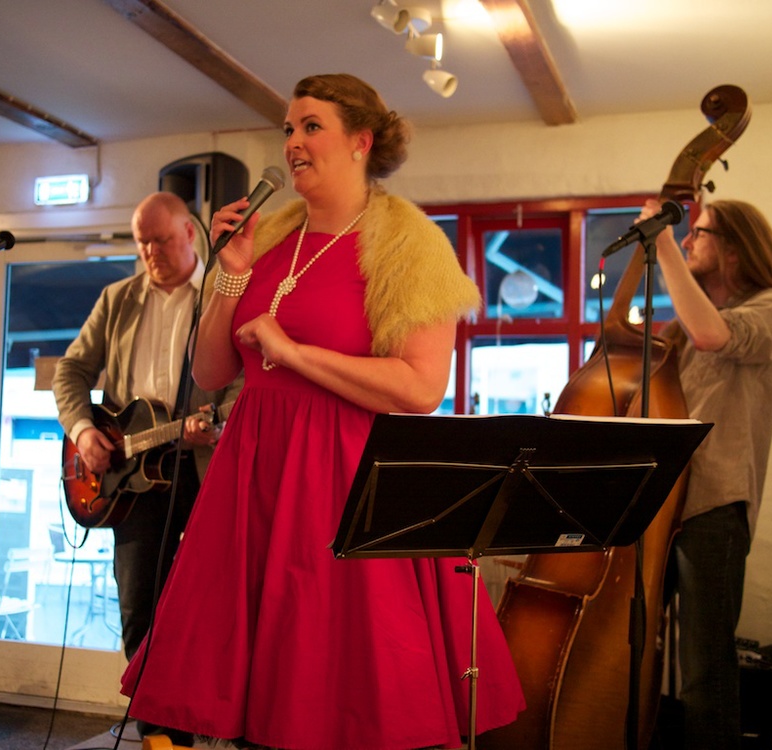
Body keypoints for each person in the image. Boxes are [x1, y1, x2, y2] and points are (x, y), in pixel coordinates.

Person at [121, 73, 525, 750]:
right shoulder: (273, 233)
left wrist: (295, 353)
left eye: (311, 126)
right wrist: (233, 271)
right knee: (256, 695)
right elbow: (213, 371)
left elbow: (421, 387)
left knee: (342, 689)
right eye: (288, 128)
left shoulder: (409, 244)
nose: (294, 143)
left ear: (361, 141)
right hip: (255, 474)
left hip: (349, 478)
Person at [639, 198, 772, 749]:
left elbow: (714, 334)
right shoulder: (682, 326)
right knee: (637, 654)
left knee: (704, 669)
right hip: (662, 503)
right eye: (685, 233)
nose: (688, 239)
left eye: (698, 232)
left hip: (715, 506)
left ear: (736, 250)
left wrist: (661, 242)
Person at [52, 191, 243, 669]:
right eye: (142, 244)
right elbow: (70, 370)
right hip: (131, 481)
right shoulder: (117, 299)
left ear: (188, 233)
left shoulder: (223, 294)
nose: (151, 254)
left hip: (202, 469)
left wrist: (220, 426)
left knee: (210, 598)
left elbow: (242, 379)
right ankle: (155, 731)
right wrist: (82, 431)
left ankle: (203, 721)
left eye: (160, 241)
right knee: (138, 604)